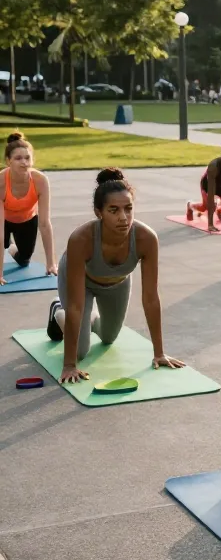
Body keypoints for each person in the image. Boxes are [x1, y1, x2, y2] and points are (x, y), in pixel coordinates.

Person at [46, 169, 184, 383]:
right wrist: (69, 365)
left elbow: (150, 297)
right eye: (114, 210)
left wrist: (159, 353)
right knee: (81, 351)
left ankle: (88, 322)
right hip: (80, 282)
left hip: (116, 283)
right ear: (98, 212)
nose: (123, 217)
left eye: (128, 209)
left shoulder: (146, 238)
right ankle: (58, 311)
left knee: (109, 337)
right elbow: (76, 306)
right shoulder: (81, 239)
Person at [1, 133, 57, 284]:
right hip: (3, 221)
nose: (24, 162)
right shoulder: (1, 182)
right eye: (18, 158)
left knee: (24, 260)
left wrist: (51, 263)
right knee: (2, 241)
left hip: (27, 220)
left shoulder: (40, 181)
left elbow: (45, 224)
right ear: (8, 161)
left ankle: (12, 246)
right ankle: (8, 243)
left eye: (27, 158)